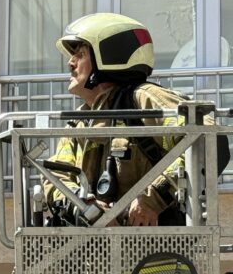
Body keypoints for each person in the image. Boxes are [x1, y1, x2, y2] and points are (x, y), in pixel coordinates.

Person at [45, 12, 188, 227]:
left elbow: (206, 142)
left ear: (110, 57)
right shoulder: (80, 123)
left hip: (156, 247)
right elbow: (54, 177)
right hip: (94, 254)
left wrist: (152, 198)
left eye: (80, 54)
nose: (70, 63)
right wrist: (87, 209)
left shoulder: (145, 98)